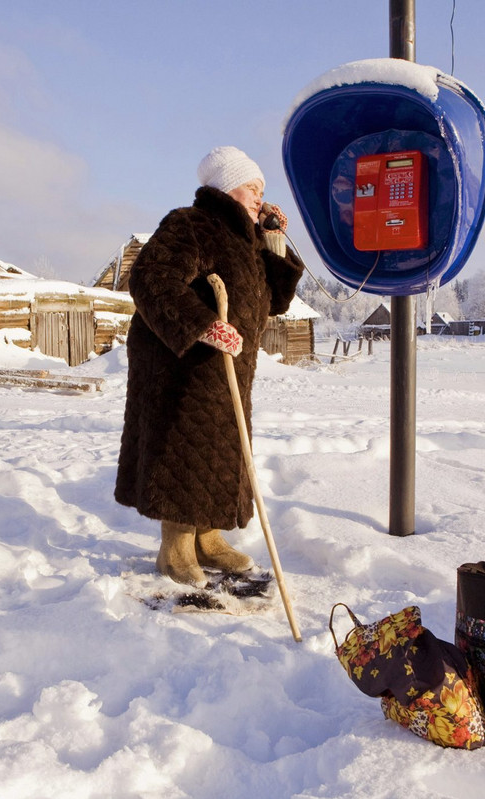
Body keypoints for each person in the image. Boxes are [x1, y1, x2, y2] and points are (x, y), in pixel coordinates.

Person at [115, 146, 305, 587]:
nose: (260, 196)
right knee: (186, 447)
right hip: (182, 364)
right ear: (224, 186)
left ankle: (209, 538)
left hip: (229, 368)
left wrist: (273, 240)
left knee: (222, 450)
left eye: (262, 189)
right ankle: (175, 549)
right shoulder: (190, 223)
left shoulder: (248, 239)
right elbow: (151, 277)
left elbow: (276, 301)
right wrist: (202, 326)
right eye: (251, 187)